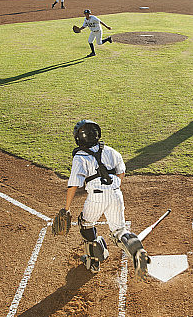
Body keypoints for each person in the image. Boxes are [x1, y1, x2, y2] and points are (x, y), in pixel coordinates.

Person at [57, 119, 150, 279]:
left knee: (86, 224)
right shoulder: (111, 151)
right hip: (115, 194)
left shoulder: (80, 157)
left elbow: (73, 185)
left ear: (79, 139)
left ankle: (94, 262)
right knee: (119, 231)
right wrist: (112, 189)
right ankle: (136, 251)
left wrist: (66, 208)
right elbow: (121, 174)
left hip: (96, 198)